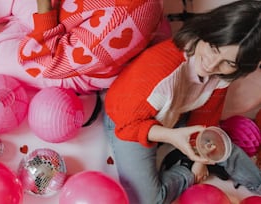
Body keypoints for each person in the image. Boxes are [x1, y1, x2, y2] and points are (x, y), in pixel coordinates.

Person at [104, 1, 261, 203]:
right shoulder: (161, 71)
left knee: (223, 145)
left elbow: (206, 117)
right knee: (148, 200)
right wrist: (183, 155)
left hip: (173, 113)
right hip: (129, 121)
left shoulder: (222, 75)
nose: (213, 65)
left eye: (229, 63)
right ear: (208, 30)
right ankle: (183, 169)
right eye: (214, 48)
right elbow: (125, 127)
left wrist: (201, 158)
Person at [0, 0, 167, 94]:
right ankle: (22, 26)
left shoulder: (125, 18)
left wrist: (43, 10)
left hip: (72, 67)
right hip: (60, 13)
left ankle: (21, 29)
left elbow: (53, 62)